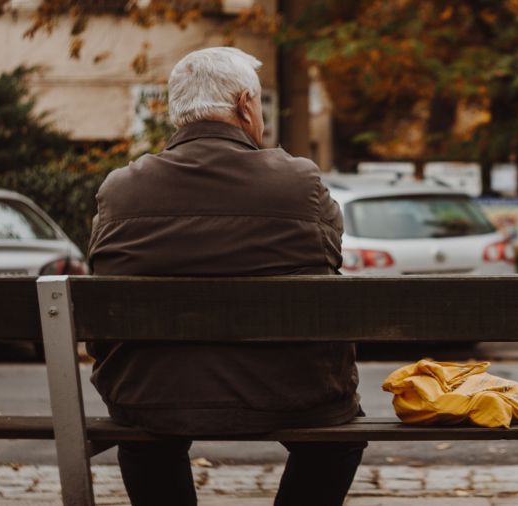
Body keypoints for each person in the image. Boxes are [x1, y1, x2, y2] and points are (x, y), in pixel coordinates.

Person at [87, 47, 364, 506]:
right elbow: (330, 255)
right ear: (244, 105)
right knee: (336, 439)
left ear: (178, 114)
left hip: (152, 396)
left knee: (144, 435)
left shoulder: (120, 190)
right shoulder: (299, 183)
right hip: (291, 391)